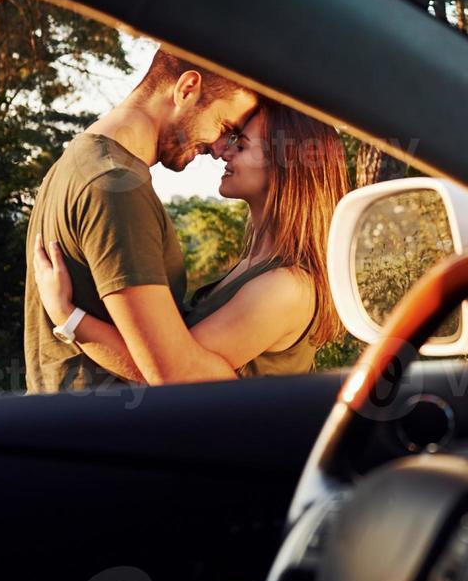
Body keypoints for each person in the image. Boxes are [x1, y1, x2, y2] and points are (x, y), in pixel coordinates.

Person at [31, 98, 349, 382]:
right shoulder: (258, 266)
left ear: (285, 164)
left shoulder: (286, 287)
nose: (223, 151)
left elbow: (174, 375)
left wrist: (68, 317)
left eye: (241, 145)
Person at [23, 46, 258, 393]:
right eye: (224, 125)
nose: (218, 147)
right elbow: (170, 373)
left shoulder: (73, 163)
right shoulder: (115, 186)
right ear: (187, 89)